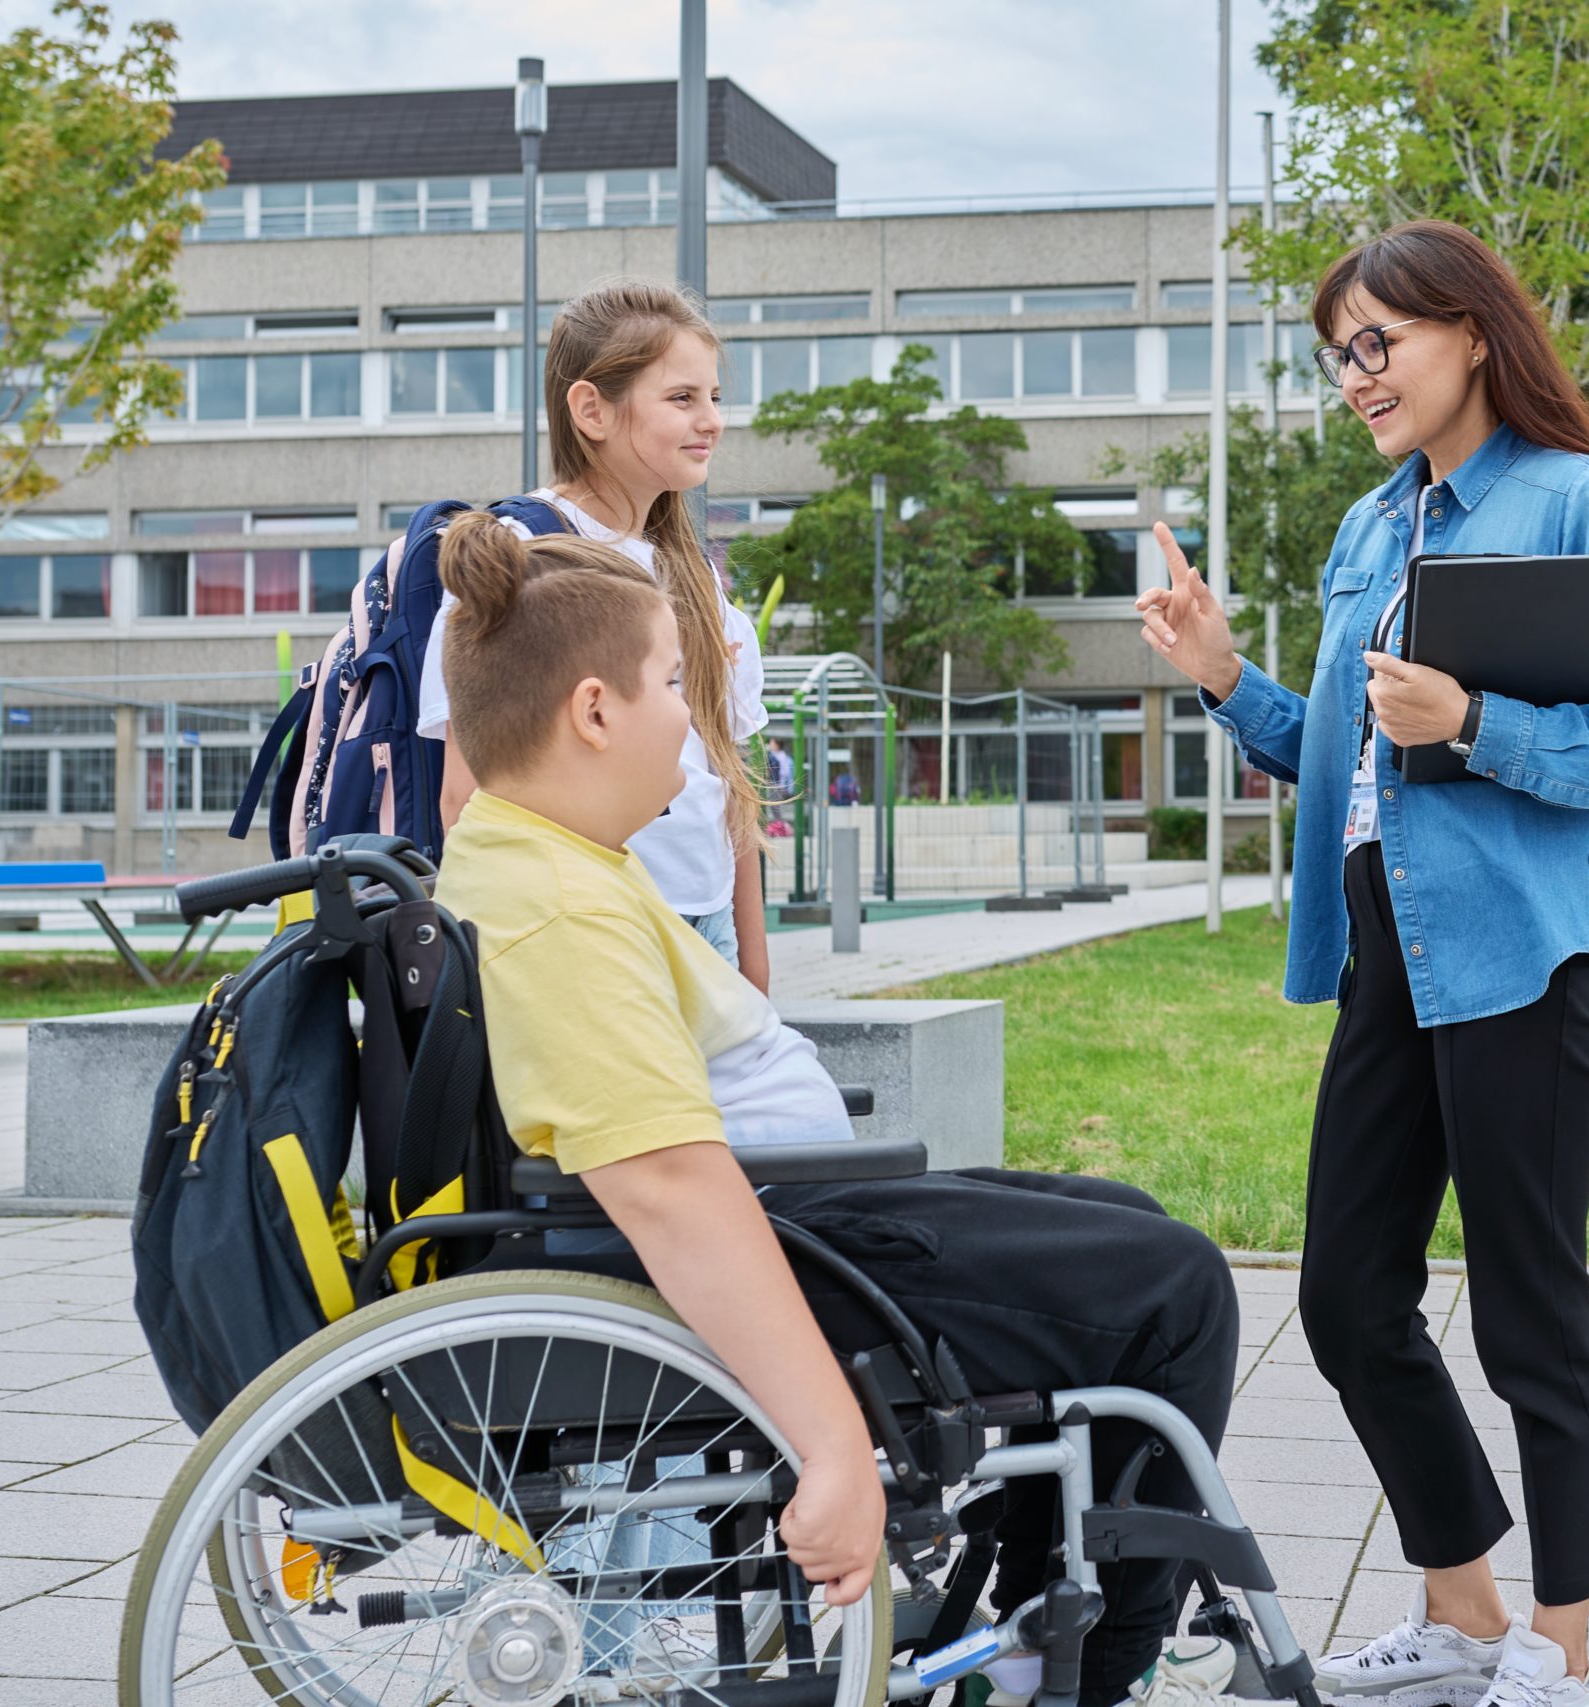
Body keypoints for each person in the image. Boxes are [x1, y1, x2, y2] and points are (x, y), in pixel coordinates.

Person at [424, 510, 1246, 1707]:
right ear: (594, 711)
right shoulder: (562, 905)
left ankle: (1027, 1626)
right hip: (776, 1237)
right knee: (1171, 1291)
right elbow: (664, 1186)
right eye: (670, 684)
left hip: (795, 1212)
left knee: (1118, 1218)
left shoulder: (544, 856)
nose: (694, 726)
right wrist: (831, 1455)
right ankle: (1080, 1679)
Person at [1136, 222, 1589, 1707]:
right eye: (1339, 354)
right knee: (1345, 1292)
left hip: (1527, 948)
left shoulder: (1582, 500)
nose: (1354, 376)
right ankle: (1464, 1611)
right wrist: (1221, 676)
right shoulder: (1367, 528)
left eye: (1377, 342)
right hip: (1389, 942)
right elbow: (1340, 753)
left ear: (1470, 331)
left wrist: (1472, 721)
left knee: (1531, 1311)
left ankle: (1565, 1650)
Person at [419, 279, 773, 992]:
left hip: (706, 927)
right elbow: (465, 799)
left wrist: (754, 972)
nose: (712, 420)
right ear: (591, 410)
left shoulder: (697, 575)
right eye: (682, 398)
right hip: (582, 926)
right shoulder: (520, 556)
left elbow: (727, 790)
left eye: (714, 397)